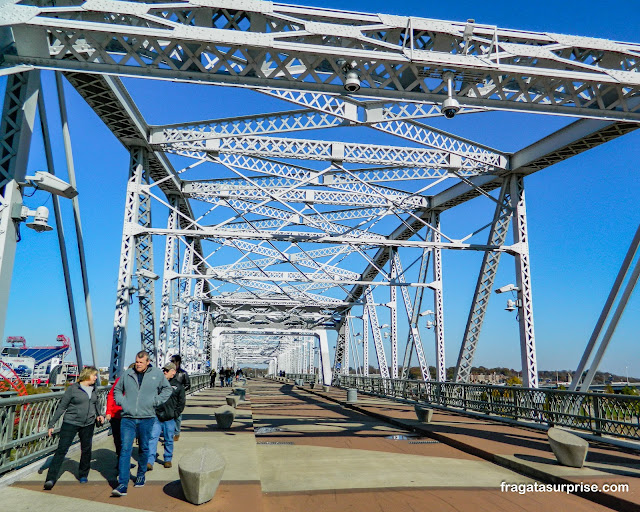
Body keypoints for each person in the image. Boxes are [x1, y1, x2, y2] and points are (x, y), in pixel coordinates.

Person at [111, 351, 172, 497]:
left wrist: (155, 402)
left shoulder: (157, 374)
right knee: (125, 449)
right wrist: (123, 402)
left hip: (147, 417)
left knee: (144, 448)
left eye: (141, 362)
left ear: (147, 362)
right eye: (136, 362)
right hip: (128, 418)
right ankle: (123, 484)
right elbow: (117, 390)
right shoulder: (128, 374)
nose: (138, 364)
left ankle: (141, 474)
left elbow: (167, 389)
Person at [43, 366, 104, 490]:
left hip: (88, 424)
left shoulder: (94, 389)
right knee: (62, 450)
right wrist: (52, 424)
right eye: (94, 375)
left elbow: (96, 403)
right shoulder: (72, 389)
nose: (96, 378)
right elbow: (62, 407)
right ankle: (51, 478)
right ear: (87, 375)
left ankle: (83, 474)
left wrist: (100, 415)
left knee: (86, 449)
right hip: (71, 423)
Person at [147, 362, 185, 470]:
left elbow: (181, 402)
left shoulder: (178, 386)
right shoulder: (157, 383)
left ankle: (167, 459)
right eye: (164, 370)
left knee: (168, 439)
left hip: (169, 417)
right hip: (157, 416)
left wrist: (175, 414)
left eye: (167, 370)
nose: (164, 372)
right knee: (153, 437)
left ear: (173, 372)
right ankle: (150, 461)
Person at [170, 354, 190, 441]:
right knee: (169, 415)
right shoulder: (169, 372)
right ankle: (170, 434)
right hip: (169, 397)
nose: (171, 363)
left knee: (177, 415)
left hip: (178, 397)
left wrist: (180, 390)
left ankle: (177, 433)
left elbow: (188, 385)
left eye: (173, 361)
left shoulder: (183, 373)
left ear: (178, 362)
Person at [105, 376, 124, 466]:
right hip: (116, 414)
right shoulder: (120, 380)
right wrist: (108, 411)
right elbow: (111, 395)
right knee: (118, 439)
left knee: (126, 440)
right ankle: (121, 459)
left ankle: (123, 460)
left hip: (129, 415)